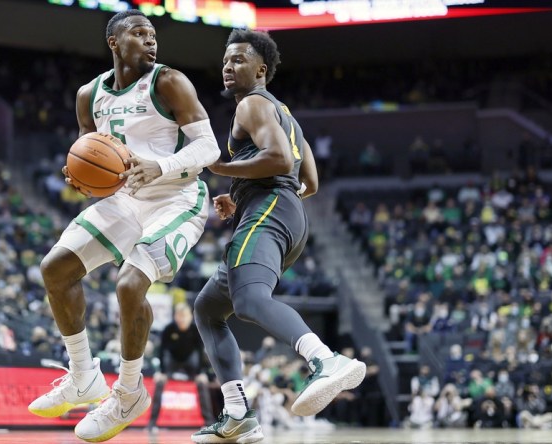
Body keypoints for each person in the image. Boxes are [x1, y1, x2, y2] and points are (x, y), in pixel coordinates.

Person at [27, 10, 219, 443]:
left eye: (153, 35)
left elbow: (208, 146)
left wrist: (161, 166)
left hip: (176, 197)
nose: (150, 41)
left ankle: (129, 391)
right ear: (113, 42)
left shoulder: (169, 81)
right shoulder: (88, 93)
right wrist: (82, 178)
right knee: (55, 268)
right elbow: (88, 152)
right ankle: (83, 376)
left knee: (130, 284)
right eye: (139, 33)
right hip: (125, 199)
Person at [191, 29, 365, 443]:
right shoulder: (286, 114)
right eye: (225, 61)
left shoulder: (251, 104)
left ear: (261, 70)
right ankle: (237, 414)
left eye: (238, 60)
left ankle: (325, 359)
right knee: (208, 309)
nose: (228, 67)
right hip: (284, 212)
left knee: (250, 300)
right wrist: (242, 194)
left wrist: (224, 170)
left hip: (270, 211)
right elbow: (309, 179)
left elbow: (278, 159)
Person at [148, 303, 214, 430]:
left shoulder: (196, 330)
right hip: (172, 362)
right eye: (179, 316)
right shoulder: (168, 329)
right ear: (175, 317)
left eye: (185, 316)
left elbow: (200, 352)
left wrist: (200, 373)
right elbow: (162, 351)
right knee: (160, 382)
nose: (182, 319)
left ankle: (209, 423)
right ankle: (152, 423)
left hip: (190, 363)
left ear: (190, 317)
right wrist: (161, 371)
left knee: (202, 383)